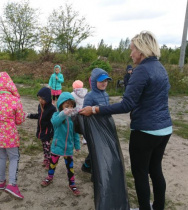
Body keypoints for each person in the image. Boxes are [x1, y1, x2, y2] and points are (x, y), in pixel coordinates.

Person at [79, 31, 172, 210]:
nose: (131, 54)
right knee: (156, 170)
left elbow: (126, 105)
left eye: (132, 50)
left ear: (142, 50)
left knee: (141, 173)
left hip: (145, 131)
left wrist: (96, 109)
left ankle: (145, 207)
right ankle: (158, 207)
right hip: (165, 130)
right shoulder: (161, 68)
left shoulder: (141, 71)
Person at [40, 92, 81, 196]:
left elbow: (75, 133)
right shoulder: (57, 115)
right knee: (52, 164)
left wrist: (77, 145)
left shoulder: (73, 118)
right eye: (66, 106)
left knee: (70, 167)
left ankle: (72, 184)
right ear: (60, 106)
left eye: (71, 106)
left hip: (68, 148)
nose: (69, 108)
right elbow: (55, 122)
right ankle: (49, 177)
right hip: (57, 146)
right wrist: (63, 114)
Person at [81, 68, 112, 174]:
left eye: (106, 81)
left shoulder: (106, 94)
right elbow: (85, 113)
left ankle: (87, 165)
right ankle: (93, 171)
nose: (104, 83)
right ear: (94, 82)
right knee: (96, 149)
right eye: (101, 81)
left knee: (100, 148)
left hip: (103, 126)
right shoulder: (90, 96)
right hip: (94, 128)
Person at [26, 87, 57, 170]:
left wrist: (52, 132)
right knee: (44, 146)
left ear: (47, 98)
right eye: (39, 98)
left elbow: (54, 121)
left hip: (47, 131)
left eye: (42, 99)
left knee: (47, 147)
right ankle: (46, 158)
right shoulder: (40, 106)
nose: (40, 100)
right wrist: (29, 115)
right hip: (41, 130)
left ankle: (50, 161)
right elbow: (39, 116)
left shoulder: (52, 109)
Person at [70, 80, 88, 145]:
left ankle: (73, 138)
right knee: (83, 125)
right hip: (84, 111)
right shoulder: (86, 93)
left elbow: (71, 102)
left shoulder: (72, 94)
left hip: (75, 113)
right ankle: (85, 139)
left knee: (75, 125)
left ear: (74, 87)